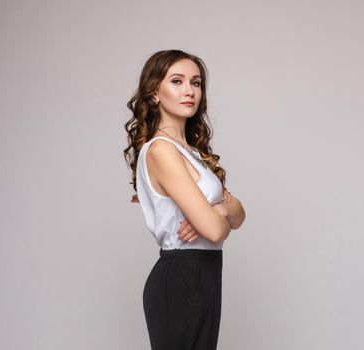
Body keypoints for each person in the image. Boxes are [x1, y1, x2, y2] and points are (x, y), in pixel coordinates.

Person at [123, 49, 246, 350]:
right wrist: (221, 214)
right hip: (182, 277)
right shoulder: (160, 150)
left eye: (196, 82)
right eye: (177, 81)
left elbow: (239, 214)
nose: (190, 90)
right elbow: (217, 231)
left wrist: (219, 209)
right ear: (154, 93)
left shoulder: (193, 152)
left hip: (207, 272)